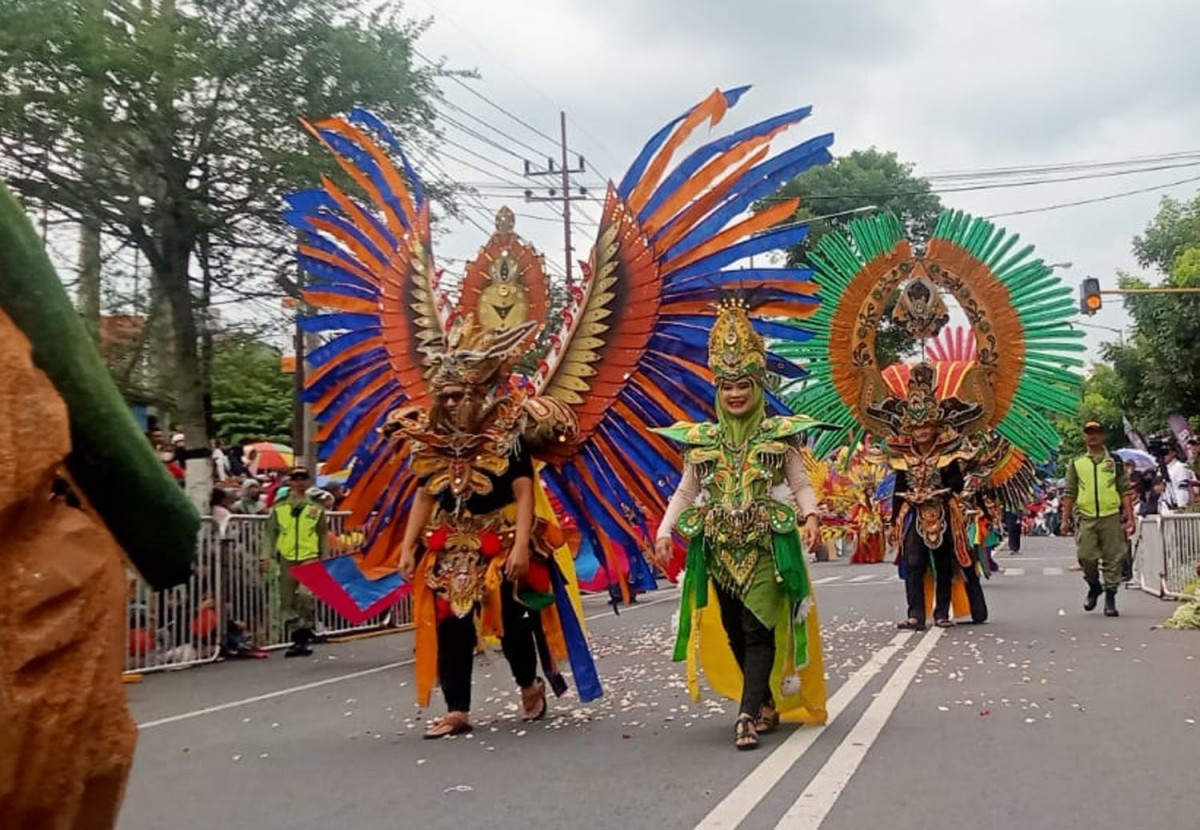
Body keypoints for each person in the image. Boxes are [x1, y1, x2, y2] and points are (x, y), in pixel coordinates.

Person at [395, 317, 598, 738]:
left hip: (501, 537)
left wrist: (522, 546)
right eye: (444, 395)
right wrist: (408, 545)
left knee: (511, 621)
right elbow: (425, 494)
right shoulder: (430, 436)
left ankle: (529, 683)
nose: (449, 403)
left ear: (477, 392)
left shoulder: (507, 432)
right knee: (451, 622)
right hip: (449, 543)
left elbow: (525, 491)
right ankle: (457, 709)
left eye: (458, 395)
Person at [655, 300, 826, 751]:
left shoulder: (779, 435)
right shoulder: (702, 441)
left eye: (743, 385)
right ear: (718, 388)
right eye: (727, 385)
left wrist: (810, 516)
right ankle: (763, 699)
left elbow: (800, 481)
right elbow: (686, 492)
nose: (735, 394)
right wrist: (664, 531)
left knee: (757, 628)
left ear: (758, 385)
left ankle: (746, 716)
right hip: (716, 549)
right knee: (735, 629)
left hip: (768, 548)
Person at [884, 366, 989, 631]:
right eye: (916, 426)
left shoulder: (948, 453)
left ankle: (941, 612)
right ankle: (916, 615)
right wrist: (892, 520)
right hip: (913, 512)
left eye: (925, 425)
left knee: (944, 562)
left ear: (934, 427)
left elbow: (956, 484)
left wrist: (942, 493)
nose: (920, 431)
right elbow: (897, 488)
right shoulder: (902, 455)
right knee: (913, 562)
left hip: (943, 512)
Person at [1060, 421, 1136, 617]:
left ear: (1103, 436)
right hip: (1086, 517)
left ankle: (1110, 598)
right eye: (1088, 433)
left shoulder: (1115, 461)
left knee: (1113, 558)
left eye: (1096, 432)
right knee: (1086, 556)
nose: (1092, 436)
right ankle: (1094, 586)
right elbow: (1069, 492)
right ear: (1084, 436)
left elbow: (1125, 490)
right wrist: (1065, 519)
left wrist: (1130, 518)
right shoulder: (1076, 463)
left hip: (1110, 515)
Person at [262, 467, 330, 656]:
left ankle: (305, 629)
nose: (300, 482)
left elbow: (323, 534)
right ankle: (298, 637)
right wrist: (265, 556)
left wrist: (325, 559)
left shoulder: (316, 508)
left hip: (309, 556)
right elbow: (270, 533)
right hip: (286, 557)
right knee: (287, 600)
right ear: (290, 481)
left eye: (303, 478)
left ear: (308, 481)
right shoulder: (280, 506)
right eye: (296, 478)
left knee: (305, 595)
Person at [1165, 445, 1196, 511]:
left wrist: (1183, 508)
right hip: (1168, 508)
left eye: (1166, 453)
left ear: (1173, 453)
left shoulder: (1180, 467)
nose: (1164, 456)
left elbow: (1185, 489)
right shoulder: (1163, 469)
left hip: (1181, 507)